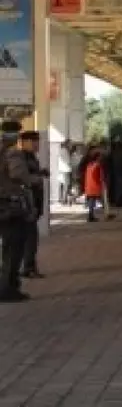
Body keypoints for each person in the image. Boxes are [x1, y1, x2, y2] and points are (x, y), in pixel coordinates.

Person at [0, 120, 44, 302]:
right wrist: (35, 179)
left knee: (8, 248)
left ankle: (7, 285)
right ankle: (8, 288)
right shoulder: (13, 153)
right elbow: (18, 175)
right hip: (12, 206)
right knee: (13, 249)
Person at [18, 131, 46, 279]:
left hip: (34, 201)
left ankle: (29, 266)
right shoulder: (21, 158)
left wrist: (41, 173)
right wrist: (37, 177)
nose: (37, 145)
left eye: (37, 141)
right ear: (25, 142)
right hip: (27, 203)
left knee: (31, 237)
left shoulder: (31, 157)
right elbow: (23, 179)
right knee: (30, 237)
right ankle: (28, 267)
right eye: (34, 141)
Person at [82, 147, 105, 223]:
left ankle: (91, 215)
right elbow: (98, 176)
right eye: (100, 156)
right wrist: (101, 183)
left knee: (91, 201)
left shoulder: (89, 165)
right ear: (97, 157)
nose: (101, 158)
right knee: (92, 201)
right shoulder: (97, 165)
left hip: (89, 185)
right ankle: (91, 216)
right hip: (94, 185)